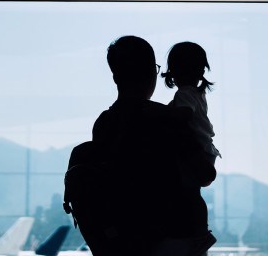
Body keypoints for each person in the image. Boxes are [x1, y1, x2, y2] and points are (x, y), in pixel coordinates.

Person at [91, 36, 216, 256]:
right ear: (151, 71)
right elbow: (206, 175)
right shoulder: (168, 119)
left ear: (115, 75)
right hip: (173, 236)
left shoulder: (104, 124)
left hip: (124, 240)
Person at [162, 42, 221, 169]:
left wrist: (163, 113)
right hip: (207, 149)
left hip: (198, 149)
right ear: (201, 71)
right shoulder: (198, 94)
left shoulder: (184, 93)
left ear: (173, 72)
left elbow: (184, 115)